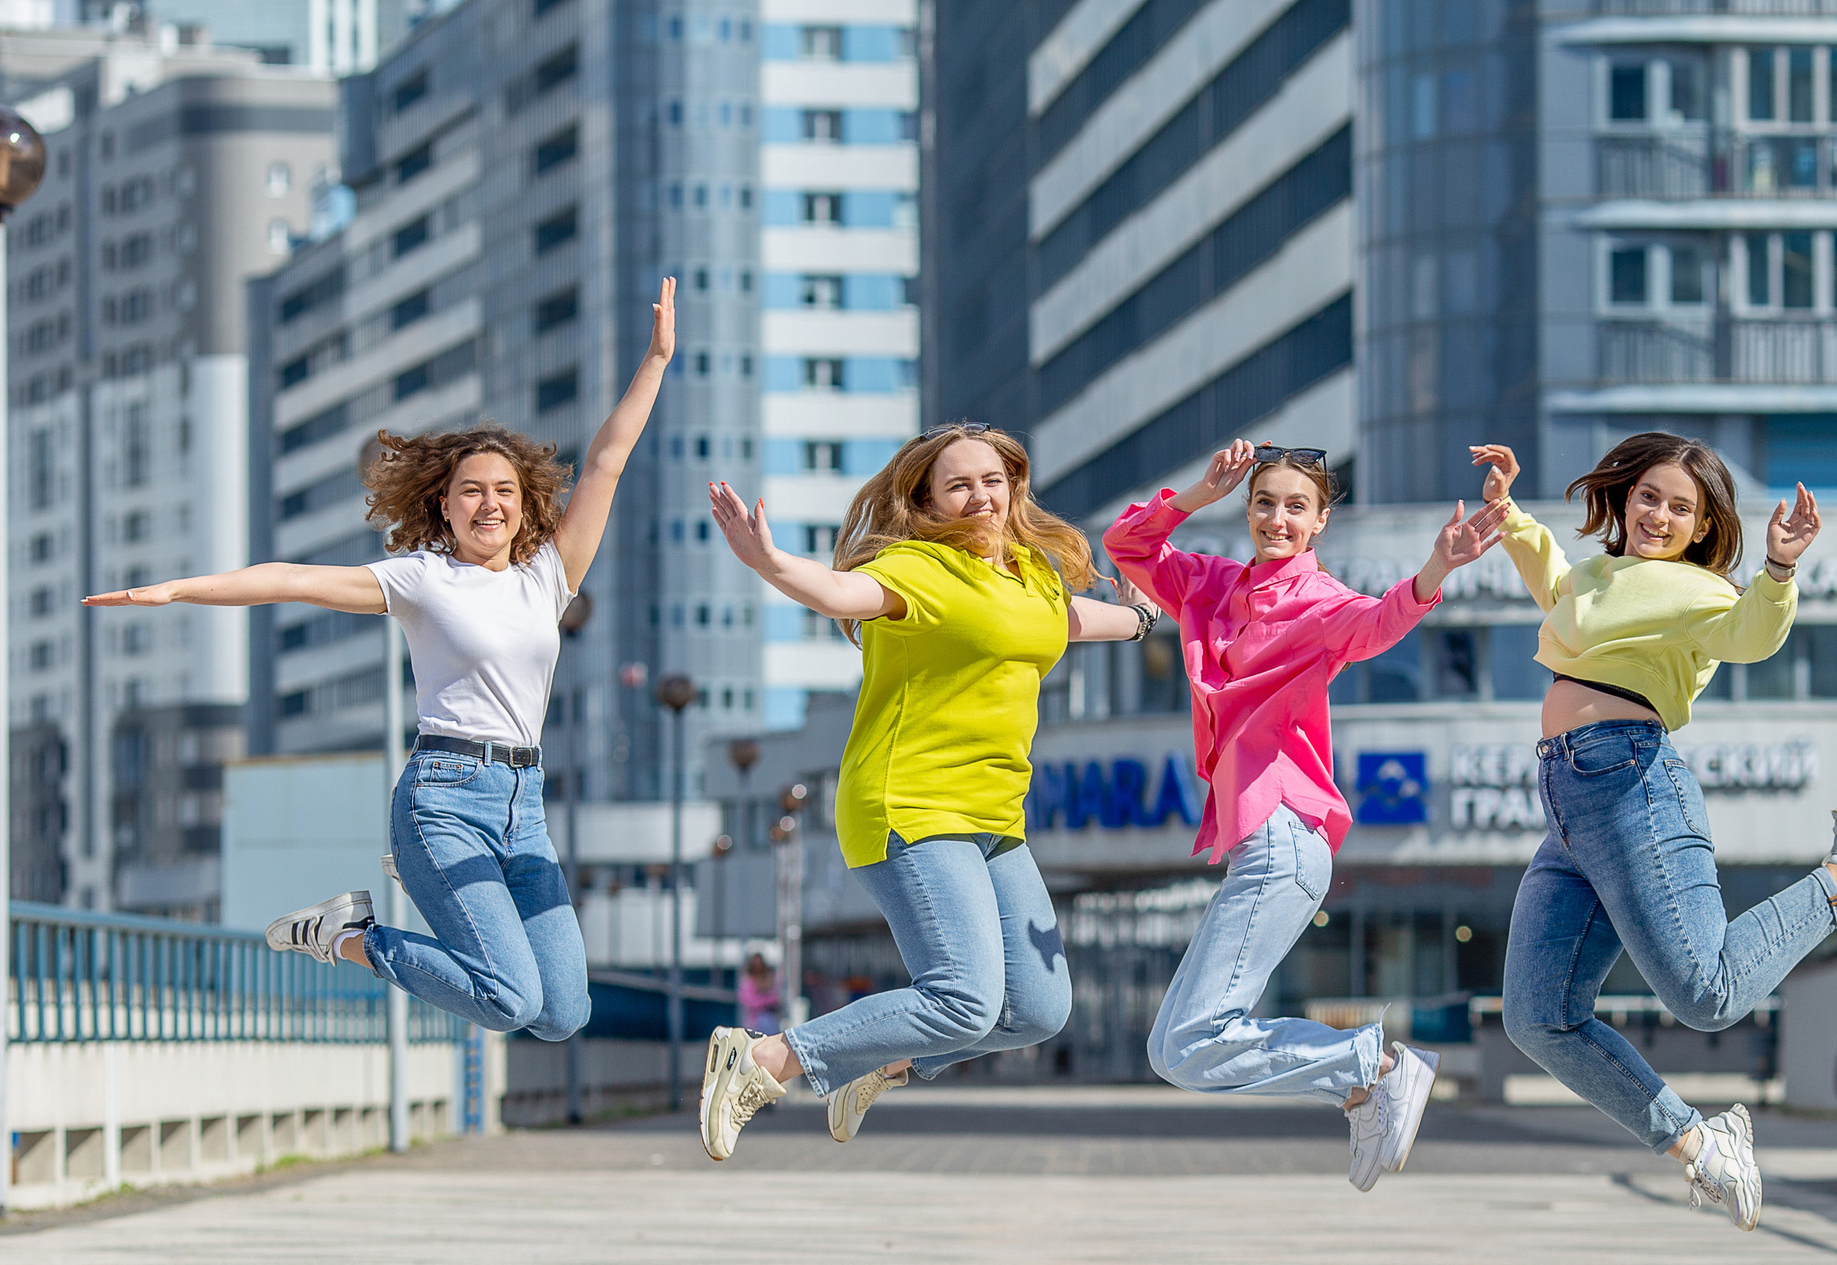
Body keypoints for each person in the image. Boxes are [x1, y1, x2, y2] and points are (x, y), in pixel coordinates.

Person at [84, 281, 680, 1041]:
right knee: (510, 1000)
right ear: (444, 505)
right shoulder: (422, 579)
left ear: (526, 503)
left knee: (563, 1013)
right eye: (471, 491)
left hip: (524, 805)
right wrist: (177, 590)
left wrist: (656, 360)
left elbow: (606, 462)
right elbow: (291, 579)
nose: (489, 504)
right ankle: (349, 936)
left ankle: (410, 887)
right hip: (444, 796)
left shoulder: (548, 576)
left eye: (504, 490)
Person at [1473, 436, 1837, 1232]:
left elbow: (1751, 635)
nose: (1659, 515)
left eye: (1680, 508)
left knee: (1709, 994)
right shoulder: (1596, 577)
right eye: (1648, 496)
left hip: (1633, 786)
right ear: (1625, 498)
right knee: (1535, 1015)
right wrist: (1509, 513)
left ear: (1702, 527)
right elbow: (1554, 581)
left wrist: (1780, 567)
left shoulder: (1696, 590)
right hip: (1569, 802)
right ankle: (1700, 1142)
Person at [692, 423, 1153, 1158]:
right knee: (964, 997)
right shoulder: (916, 569)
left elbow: (1067, 621)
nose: (981, 497)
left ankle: (879, 1060)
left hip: (995, 819)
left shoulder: (1031, 577)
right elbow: (840, 591)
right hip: (911, 804)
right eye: (958, 485)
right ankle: (766, 1057)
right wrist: (771, 563)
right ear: (928, 501)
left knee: (1039, 1009)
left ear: (1014, 486)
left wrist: (1144, 617)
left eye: (992, 480)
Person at [1105, 441, 1504, 1190]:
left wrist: (1436, 569)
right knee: (1173, 1051)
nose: (1277, 519)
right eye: (1264, 502)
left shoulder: (1318, 602)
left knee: (1190, 1042)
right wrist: (1196, 494)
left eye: (1297, 507)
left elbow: (1377, 623)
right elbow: (1127, 544)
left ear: (1320, 521)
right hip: (1263, 845)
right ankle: (1360, 1089)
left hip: (1283, 834)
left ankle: (1371, 1069)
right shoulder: (1209, 584)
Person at [737, 952, 781, 1032]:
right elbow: (749, 1001)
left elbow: (776, 998)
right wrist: (765, 1001)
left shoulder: (769, 979)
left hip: (770, 1019)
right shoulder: (747, 981)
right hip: (754, 1021)